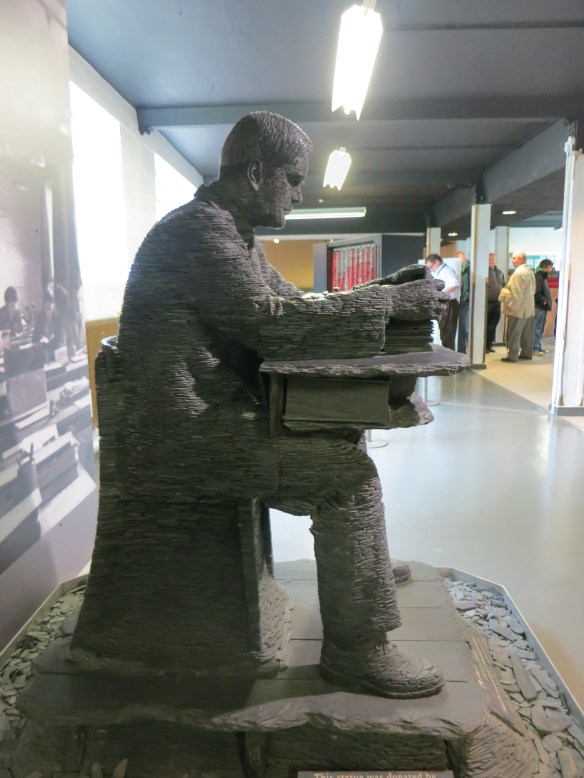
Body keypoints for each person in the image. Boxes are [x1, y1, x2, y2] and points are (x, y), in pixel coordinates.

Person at [83, 112, 448, 699]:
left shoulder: (230, 235)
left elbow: (297, 301)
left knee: (342, 440)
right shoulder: (199, 235)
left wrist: (385, 292)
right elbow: (275, 324)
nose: (300, 193)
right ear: (256, 173)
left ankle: (362, 573)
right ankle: (357, 651)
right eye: (293, 179)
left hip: (206, 417)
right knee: (346, 479)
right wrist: (389, 303)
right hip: (185, 437)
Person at [498, 251, 535, 362]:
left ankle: (512, 355)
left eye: (514, 258)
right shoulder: (530, 271)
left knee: (514, 332)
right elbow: (533, 289)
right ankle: (527, 353)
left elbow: (517, 293)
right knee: (527, 333)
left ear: (520, 259)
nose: (512, 260)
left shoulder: (518, 273)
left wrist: (511, 307)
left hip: (518, 309)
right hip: (528, 308)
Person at [424, 253, 460, 350]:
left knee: (448, 333)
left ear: (437, 262)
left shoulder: (446, 271)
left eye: (430, 267)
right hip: (444, 305)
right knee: (444, 333)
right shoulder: (440, 272)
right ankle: (447, 357)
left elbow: (455, 284)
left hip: (449, 305)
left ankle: (450, 359)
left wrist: (441, 293)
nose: (430, 269)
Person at [533, 259, 553, 354]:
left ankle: (537, 346)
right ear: (545, 267)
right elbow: (536, 292)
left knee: (540, 328)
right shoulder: (539, 276)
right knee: (537, 328)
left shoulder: (543, 276)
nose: (551, 269)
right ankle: (534, 348)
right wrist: (544, 301)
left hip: (542, 307)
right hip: (539, 307)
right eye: (550, 266)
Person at [486, 253, 505, 352]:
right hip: (487, 303)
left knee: (493, 325)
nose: (491, 261)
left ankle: (489, 345)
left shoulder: (500, 273)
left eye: (493, 259)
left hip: (497, 303)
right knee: (486, 325)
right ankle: (484, 347)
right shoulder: (484, 272)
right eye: (489, 259)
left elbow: (503, 285)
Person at [456, 251, 470, 353]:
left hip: (465, 301)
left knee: (464, 326)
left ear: (463, 258)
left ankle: (462, 349)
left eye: (459, 259)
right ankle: (459, 348)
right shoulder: (456, 269)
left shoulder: (469, 269)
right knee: (460, 326)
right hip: (456, 300)